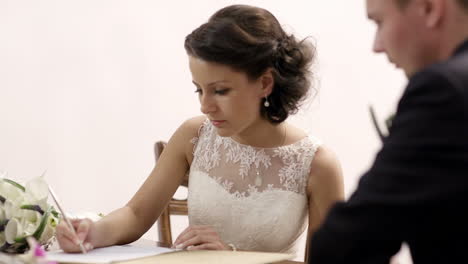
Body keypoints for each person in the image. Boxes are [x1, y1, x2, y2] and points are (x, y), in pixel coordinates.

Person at [56, 4, 344, 257]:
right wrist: (91, 233)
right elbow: (135, 214)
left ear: (265, 83)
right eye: (199, 90)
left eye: (220, 91)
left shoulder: (317, 164)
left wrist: (232, 257)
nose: (206, 106)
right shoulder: (193, 137)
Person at [308, 0, 468, 263]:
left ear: (430, 9)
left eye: (379, 22)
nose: (377, 46)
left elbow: (345, 245)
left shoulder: (445, 90)